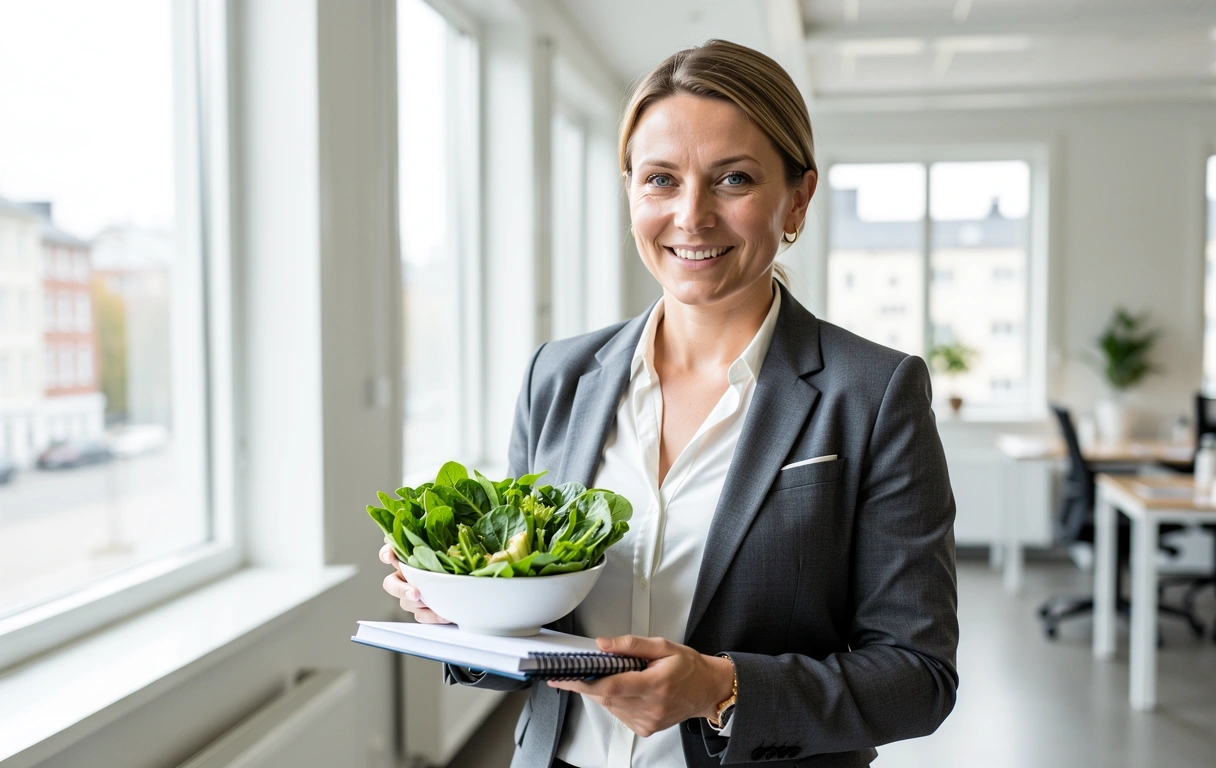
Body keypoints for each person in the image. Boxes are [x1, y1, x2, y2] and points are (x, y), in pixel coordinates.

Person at [381, 38, 958, 768]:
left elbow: (920, 677)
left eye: (734, 179)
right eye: (660, 179)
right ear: (631, 192)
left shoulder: (873, 394)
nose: (691, 216)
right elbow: (531, 634)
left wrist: (721, 689)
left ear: (798, 199)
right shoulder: (557, 377)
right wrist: (464, 605)